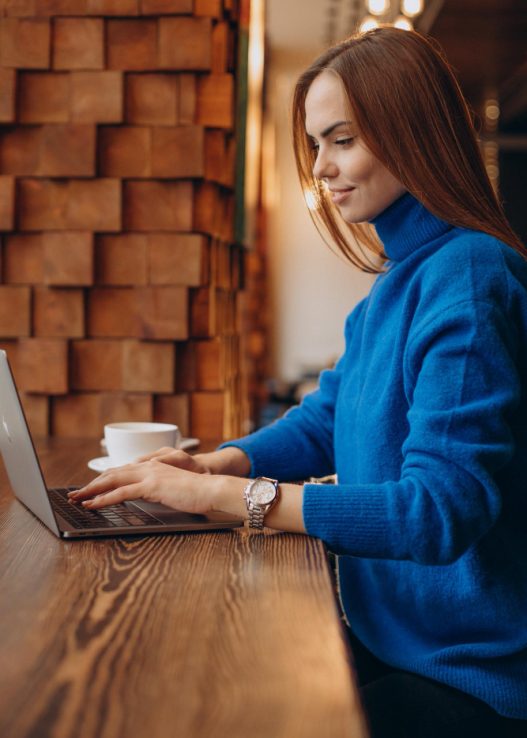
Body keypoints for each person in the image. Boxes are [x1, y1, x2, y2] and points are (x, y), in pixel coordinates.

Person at [69, 27, 527, 738]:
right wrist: (213, 461)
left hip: (466, 677)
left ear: (411, 130)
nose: (321, 167)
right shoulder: (390, 291)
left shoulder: (468, 278)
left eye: (341, 139)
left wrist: (227, 498)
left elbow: (439, 511)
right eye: (317, 144)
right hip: (388, 642)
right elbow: (324, 421)